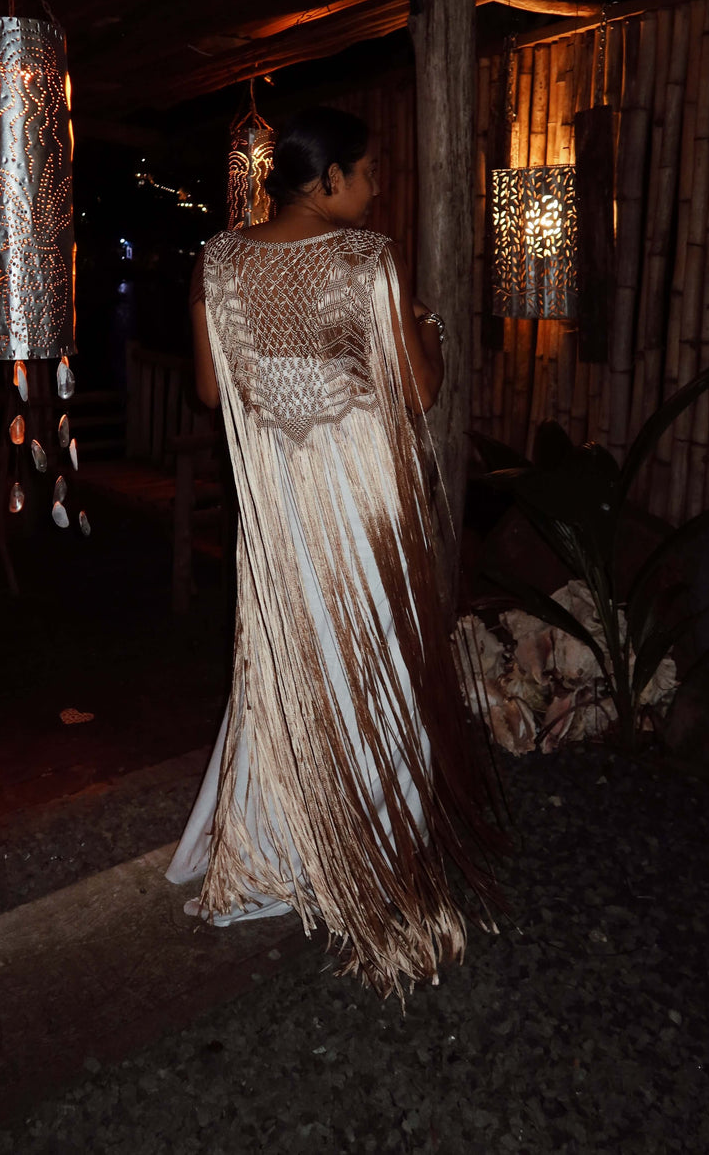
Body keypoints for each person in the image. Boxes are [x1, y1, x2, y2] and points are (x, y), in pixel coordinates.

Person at [166, 107, 503, 997]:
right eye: (367, 170)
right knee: (372, 653)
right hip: (355, 493)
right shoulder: (367, 261)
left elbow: (210, 389)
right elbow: (420, 396)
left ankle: (279, 836)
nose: (377, 184)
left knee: (286, 657)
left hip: (277, 500)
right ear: (325, 183)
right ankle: (368, 834)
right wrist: (430, 330)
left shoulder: (218, 261)